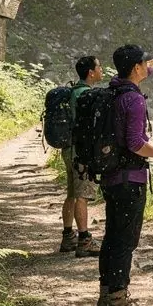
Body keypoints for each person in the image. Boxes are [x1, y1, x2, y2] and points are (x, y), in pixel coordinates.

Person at [96, 45, 153, 306]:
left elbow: (126, 140)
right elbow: (134, 143)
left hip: (111, 176)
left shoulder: (115, 89)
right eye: (145, 64)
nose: (148, 68)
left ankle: (106, 296)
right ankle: (118, 302)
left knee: (112, 236)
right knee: (125, 241)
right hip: (129, 180)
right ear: (135, 69)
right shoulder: (134, 100)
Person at [59, 55, 103, 257]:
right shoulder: (86, 95)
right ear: (91, 72)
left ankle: (68, 237)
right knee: (82, 196)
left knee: (71, 193)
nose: (102, 70)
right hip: (81, 152)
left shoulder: (72, 91)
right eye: (99, 67)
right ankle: (84, 240)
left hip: (68, 149)